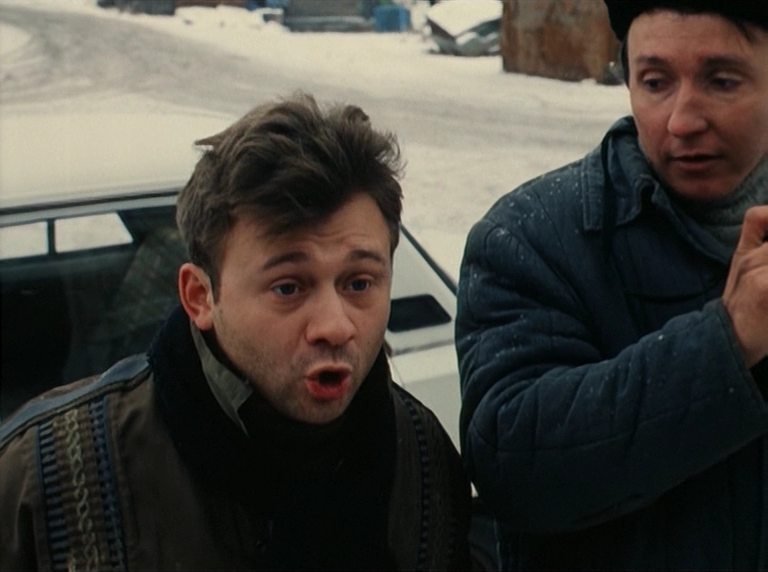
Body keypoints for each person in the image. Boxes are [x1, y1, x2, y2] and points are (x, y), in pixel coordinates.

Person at [0, 93, 472, 571]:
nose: (334, 326)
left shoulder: (422, 462)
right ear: (200, 297)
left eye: (359, 283)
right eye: (288, 288)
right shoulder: (49, 481)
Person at [456, 1, 768, 570]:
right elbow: (512, 464)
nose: (682, 120)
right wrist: (726, 343)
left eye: (721, 81)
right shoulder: (533, 238)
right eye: (655, 82)